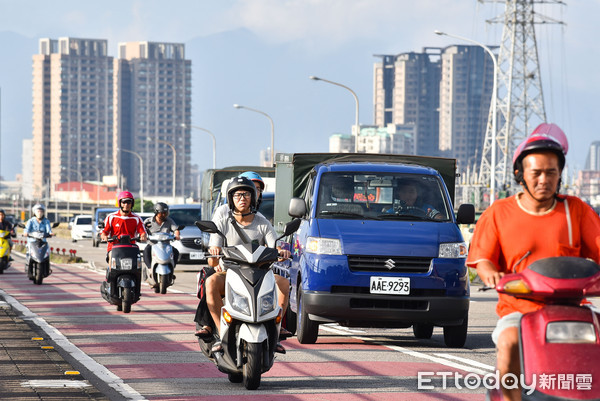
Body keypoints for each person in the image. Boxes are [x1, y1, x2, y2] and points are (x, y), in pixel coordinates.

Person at [466, 123, 600, 401]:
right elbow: (483, 259)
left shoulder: (575, 210)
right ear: (520, 175)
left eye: (551, 173)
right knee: (509, 342)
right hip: (520, 309)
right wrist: (490, 273)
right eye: (536, 173)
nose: (544, 180)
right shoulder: (498, 212)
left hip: (573, 308)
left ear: (560, 174)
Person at [199, 177, 291, 354]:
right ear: (231, 199)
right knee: (210, 283)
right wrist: (215, 252)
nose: (242, 198)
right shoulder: (223, 222)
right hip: (230, 274)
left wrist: (281, 251)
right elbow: (212, 258)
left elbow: (276, 246)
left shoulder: (263, 222)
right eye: (238, 194)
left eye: (247, 194)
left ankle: (275, 332)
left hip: (261, 274)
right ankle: (221, 332)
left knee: (284, 284)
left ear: (254, 198)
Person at [100, 191, 147, 260]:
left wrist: (143, 236)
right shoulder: (111, 217)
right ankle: (110, 270)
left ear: (132, 204)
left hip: (131, 247)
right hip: (114, 247)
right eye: (124, 202)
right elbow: (104, 232)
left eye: (128, 202)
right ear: (120, 203)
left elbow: (143, 232)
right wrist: (104, 236)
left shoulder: (137, 218)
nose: (126, 205)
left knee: (138, 261)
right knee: (111, 257)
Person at [143, 202, 181, 273]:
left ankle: (171, 268)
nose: (164, 215)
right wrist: (143, 235)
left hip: (166, 245)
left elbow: (176, 229)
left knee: (175, 251)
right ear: (156, 212)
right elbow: (142, 230)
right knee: (146, 251)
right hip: (152, 245)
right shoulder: (148, 221)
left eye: (165, 213)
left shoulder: (169, 221)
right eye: (162, 213)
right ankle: (149, 268)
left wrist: (177, 235)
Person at [24, 204, 55, 277]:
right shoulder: (30, 221)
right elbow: (26, 229)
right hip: (32, 242)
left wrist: (50, 233)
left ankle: (47, 269)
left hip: (43, 242)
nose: (40, 213)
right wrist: (26, 233)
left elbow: (49, 230)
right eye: (38, 211)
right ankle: (28, 269)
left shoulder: (46, 221)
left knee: (47, 253)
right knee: (29, 253)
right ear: (34, 212)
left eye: (41, 211)